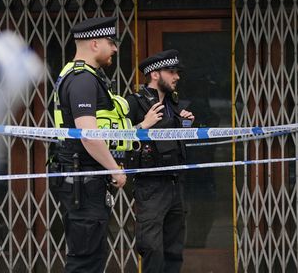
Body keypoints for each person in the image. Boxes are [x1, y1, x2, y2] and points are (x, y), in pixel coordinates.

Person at [49, 16, 133, 273]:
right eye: (111, 42)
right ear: (95, 44)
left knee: (90, 256)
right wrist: (114, 169)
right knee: (86, 261)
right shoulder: (83, 80)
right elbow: (88, 135)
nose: (116, 49)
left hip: (82, 180)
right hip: (83, 181)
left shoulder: (75, 75)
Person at [125, 49, 194, 273]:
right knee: (152, 248)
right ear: (155, 74)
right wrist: (142, 126)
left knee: (174, 249)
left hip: (175, 183)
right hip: (150, 185)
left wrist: (186, 125)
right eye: (171, 72)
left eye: (177, 72)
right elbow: (114, 140)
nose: (177, 77)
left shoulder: (175, 105)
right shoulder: (134, 103)